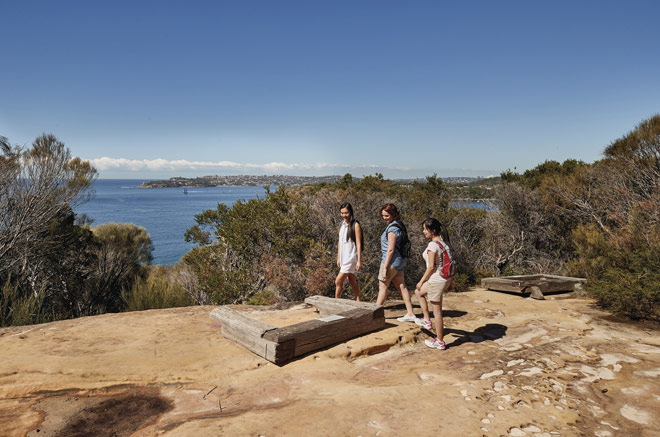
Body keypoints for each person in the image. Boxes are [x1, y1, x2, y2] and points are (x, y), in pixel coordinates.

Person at [414, 218, 452, 350]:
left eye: (425, 229)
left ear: (433, 230)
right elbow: (449, 263)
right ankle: (426, 320)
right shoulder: (444, 244)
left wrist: (421, 281)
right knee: (419, 292)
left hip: (436, 281)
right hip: (443, 279)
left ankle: (440, 341)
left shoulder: (432, 245)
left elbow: (430, 267)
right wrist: (450, 282)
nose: (423, 231)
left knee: (438, 313)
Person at [376, 203, 416, 322]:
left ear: (393, 215)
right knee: (401, 286)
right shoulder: (399, 225)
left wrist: (385, 266)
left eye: (387, 215)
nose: (384, 218)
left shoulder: (392, 229)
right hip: (400, 260)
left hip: (391, 261)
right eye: (383, 215)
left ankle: (374, 313)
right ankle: (410, 313)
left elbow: (390, 249)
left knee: (383, 286)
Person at [335, 202, 362, 301]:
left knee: (338, 281)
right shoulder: (342, 224)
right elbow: (340, 242)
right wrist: (338, 257)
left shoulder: (355, 225)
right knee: (351, 279)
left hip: (351, 257)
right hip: (343, 257)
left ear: (350, 212)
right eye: (342, 213)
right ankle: (358, 300)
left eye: (346, 213)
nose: (344, 215)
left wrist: (359, 260)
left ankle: (336, 301)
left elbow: (358, 243)